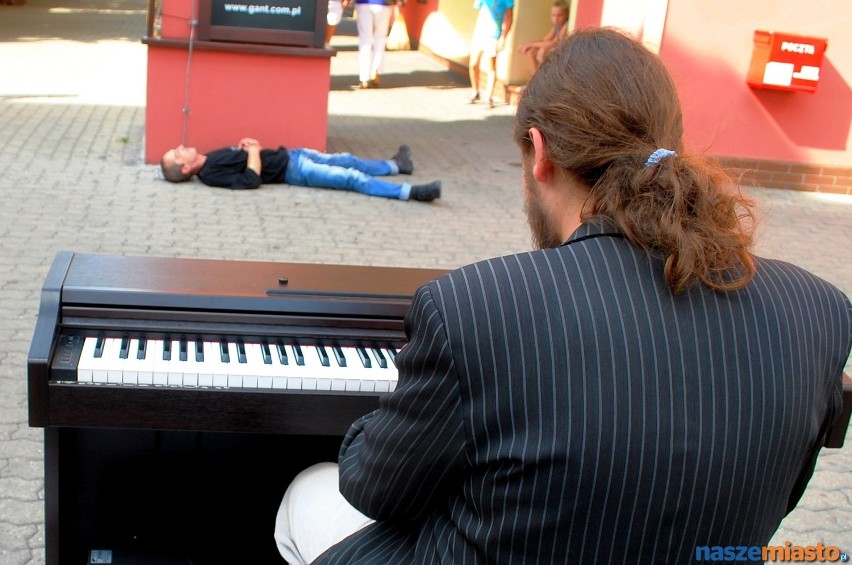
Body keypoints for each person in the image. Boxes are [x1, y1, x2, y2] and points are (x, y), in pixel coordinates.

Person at [273, 27, 852, 564]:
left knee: (309, 489)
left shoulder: (475, 307)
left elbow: (375, 486)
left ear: (539, 149)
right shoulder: (820, 313)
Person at [160, 139, 441, 202]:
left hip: (293, 155)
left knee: (349, 160)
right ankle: (410, 193)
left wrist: (246, 146)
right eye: (177, 152)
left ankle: (396, 165)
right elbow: (250, 179)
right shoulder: (209, 176)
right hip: (293, 170)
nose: (181, 146)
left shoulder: (210, 157)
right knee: (351, 178)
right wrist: (254, 150)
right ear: (184, 167)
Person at [468, 0, 514, 108]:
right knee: (473, 64)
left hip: (493, 34)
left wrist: (503, 37)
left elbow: (509, 17)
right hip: (479, 33)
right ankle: (475, 91)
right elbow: (478, 6)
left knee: (491, 66)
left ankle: (489, 97)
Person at [353, 0, 403, 89]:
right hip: (383, 4)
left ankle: (364, 77)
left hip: (363, 3)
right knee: (380, 37)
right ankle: (375, 71)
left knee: (365, 39)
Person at [517, 1, 569, 73]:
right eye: (553, 15)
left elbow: (554, 43)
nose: (556, 18)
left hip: (565, 53)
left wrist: (530, 44)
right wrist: (527, 45)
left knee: (543, 51)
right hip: (556, 49)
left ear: (566, 15)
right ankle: (535, 77)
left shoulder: (566, 25)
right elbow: (545, 40)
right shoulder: (556, 26)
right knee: (531, 51)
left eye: (559, 15)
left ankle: (543, 78)